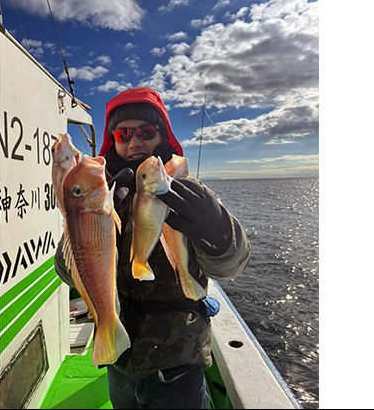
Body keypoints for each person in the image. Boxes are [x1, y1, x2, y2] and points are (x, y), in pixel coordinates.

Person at [55, 87, 251, 409]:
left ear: (162, 135)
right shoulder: (99, 196)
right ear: (113, 139)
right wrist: (79, 225)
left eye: (146, 132)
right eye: (123, 133)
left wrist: (214, 227)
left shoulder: (188, 192)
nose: (134, 142)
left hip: (177, 369)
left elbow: (232, 265)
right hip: (119, 364)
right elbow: (66, 273)